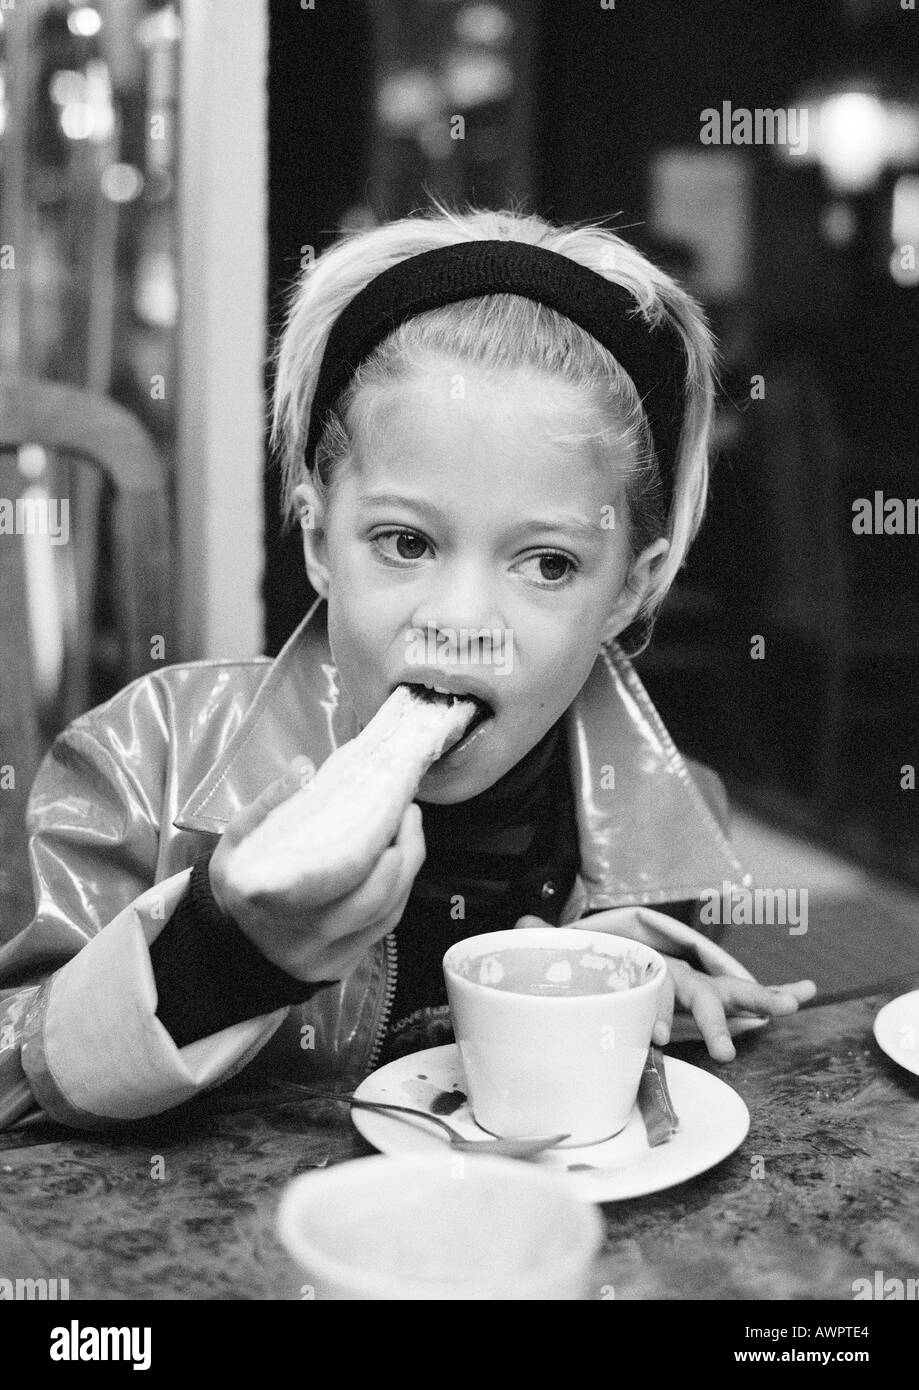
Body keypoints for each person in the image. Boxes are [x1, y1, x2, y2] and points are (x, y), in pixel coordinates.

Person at [0, 205, 814, 1131]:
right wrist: (220, 955)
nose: (460, 624)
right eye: (405, 541)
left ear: (631, 590)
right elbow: (13, 1085)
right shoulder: (140, 760)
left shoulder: (674, 823)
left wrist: (628, 1009)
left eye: (546, 563)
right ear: (316, 538)